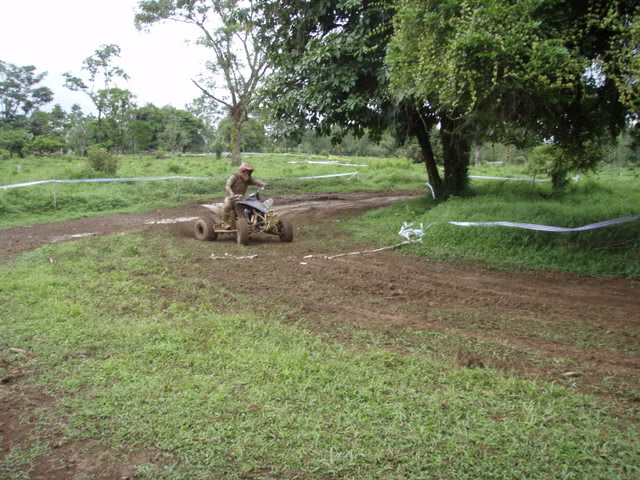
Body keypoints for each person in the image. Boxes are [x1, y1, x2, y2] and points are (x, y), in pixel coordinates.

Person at [221, 162, 267, 228]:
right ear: (242, 171)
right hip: (231, 197)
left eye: (248, 172)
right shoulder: (234, 177)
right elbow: (227, 186)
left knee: (251, 206)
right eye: (246, 172)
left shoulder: (248, 179)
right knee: (227, 206)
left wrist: (264, 184)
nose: (247, 174)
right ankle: (224, 223)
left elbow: (256, 182)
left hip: (241, 198)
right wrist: (231, 194)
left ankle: (252, 221)